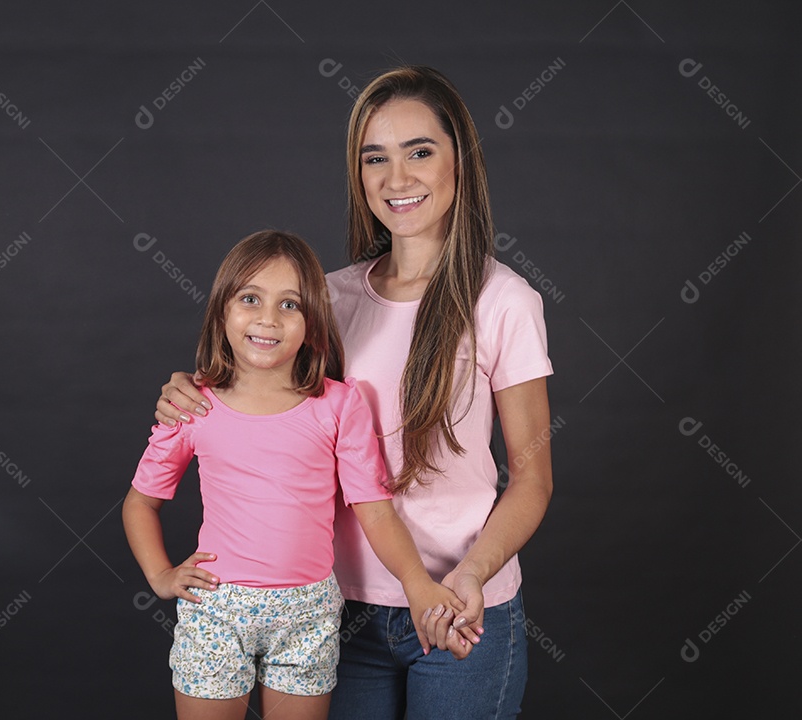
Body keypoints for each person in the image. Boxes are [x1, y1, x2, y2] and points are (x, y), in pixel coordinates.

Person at [155, 66, 554, 719]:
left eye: (419, 151)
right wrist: (191, 391)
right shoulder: (328, 299)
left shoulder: (505, 301)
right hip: (335, 613)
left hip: (459, 611)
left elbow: (532, 477)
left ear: (461, 161)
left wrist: (470, 576)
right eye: (376, 158)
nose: (397, 178)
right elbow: (257, 399)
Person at [124, 230, 464, 720]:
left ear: (312, 323)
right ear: (221, 311)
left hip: (308, 613)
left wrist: (419, 585)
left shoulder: (339, 405)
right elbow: (141, 502)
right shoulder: (194, 406)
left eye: (290, 305)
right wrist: (160, 575)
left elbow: (376, 513)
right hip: (217, 610)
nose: (267, 318)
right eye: (249, 299)